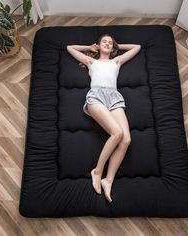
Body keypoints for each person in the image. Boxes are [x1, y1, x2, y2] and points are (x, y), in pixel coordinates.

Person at [67, 34, 141, 203]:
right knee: (117, 133)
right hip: (96, 96)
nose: (107, 44)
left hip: (114, 97)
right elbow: (69, 48)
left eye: (110, 42)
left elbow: (136, 46)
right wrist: (89, 48)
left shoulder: (117, 61)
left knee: (126, 139)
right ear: (98, 46)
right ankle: (97, 171)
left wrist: (116, 45)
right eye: (104, 42)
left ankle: (108, 180)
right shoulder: (91, 62)